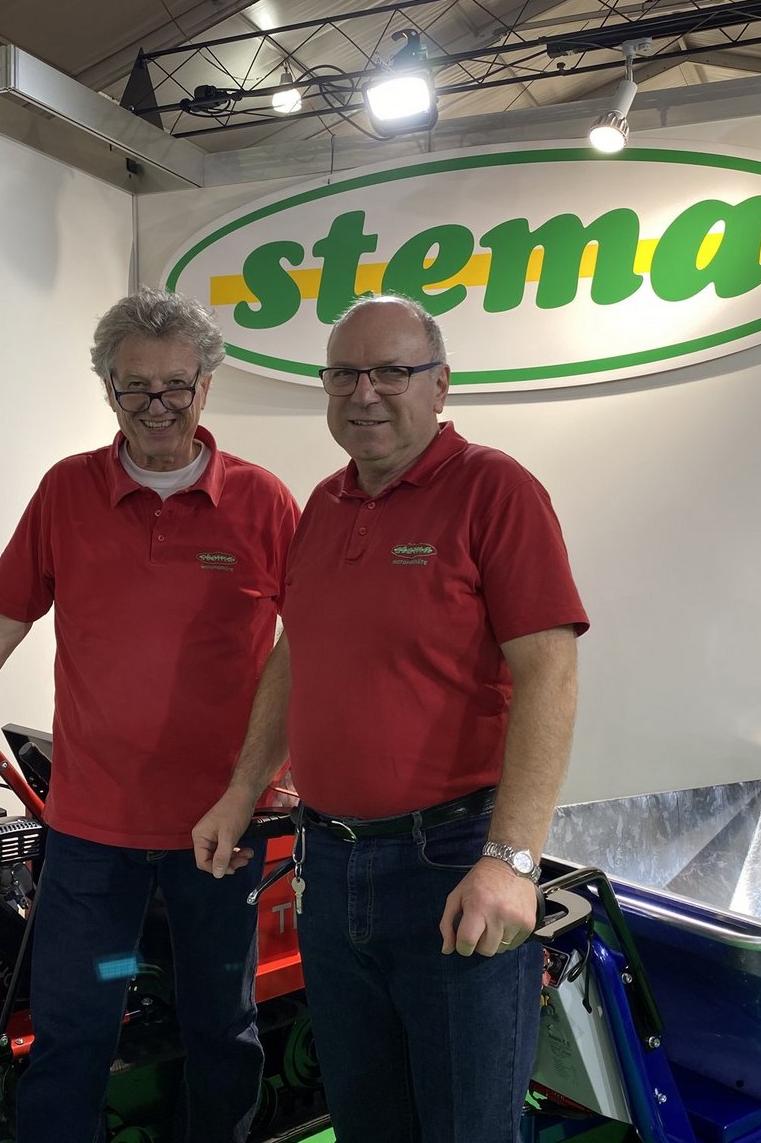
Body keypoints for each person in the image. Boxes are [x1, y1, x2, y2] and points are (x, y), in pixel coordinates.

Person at [0, 289, 299, 1143]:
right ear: (108, 388)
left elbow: (307, 647)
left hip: (219, 828)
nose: (156, 407)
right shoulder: (67, 492)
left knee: (221, 1029)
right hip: (90, 829)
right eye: (134, 388)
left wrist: (282, 774)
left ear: (206, 384)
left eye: (175, 386)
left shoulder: (264, 502)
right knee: (71, 1032)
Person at [192, 293, 587, 1143]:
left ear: (440, 385)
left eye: (391, 372)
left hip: (450, 862)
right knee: (365, 1120)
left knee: (465, 1126)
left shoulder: (496, 491)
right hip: (329, 865)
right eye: (344, 374)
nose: (364, 393)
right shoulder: (324, 505)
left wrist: (512, 860)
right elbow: (296, 653)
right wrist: (242, 788)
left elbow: (550, 674)